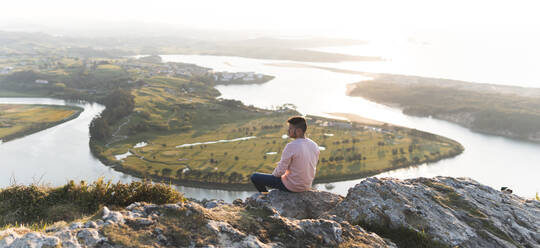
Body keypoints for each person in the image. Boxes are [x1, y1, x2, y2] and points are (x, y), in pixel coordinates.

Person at [250, 116, 320, 193]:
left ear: (299, 131)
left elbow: (279, 172)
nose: (288, 130)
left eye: (290, 128)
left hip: (292, 186)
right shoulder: (314, 145)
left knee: (255, 177)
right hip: (306, 186)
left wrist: (273, 176)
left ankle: (266, 197)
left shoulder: (291, 146)